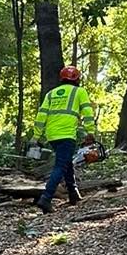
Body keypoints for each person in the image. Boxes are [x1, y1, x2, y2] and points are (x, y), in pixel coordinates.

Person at [30, 66, 96, 214]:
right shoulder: (79, 92)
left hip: (52, 135)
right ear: (77, 79)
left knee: (66, 163)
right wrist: (90, 131)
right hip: (67, 135)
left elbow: (41, 116)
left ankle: (73, 193)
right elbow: (87, 112)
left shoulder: (51, 94)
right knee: (60, 166)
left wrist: (36, 136)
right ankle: (46, 198)